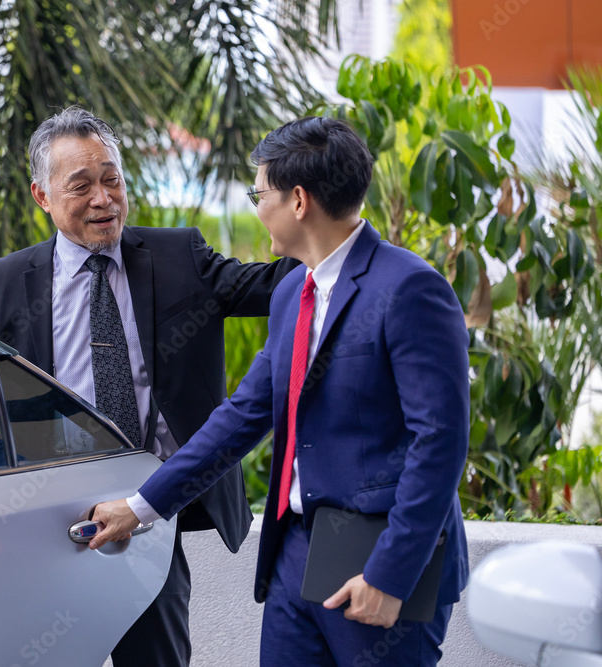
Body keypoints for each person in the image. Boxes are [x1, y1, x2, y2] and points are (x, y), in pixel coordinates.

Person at [90, 117, 471, 666]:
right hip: (295, 554)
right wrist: (141, 507)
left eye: (259, 193)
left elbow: (439, 442)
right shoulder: (293, 289)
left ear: (298, 201)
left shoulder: (410, 288)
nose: (255, 206)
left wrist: (390, 573)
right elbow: (241, 417)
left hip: (378, 558)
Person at [0, 106, 300, 667]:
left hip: (146, 511)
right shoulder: (4, 283)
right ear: (42, 196)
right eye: (81, 185)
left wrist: (328, 225)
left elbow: (273, 285)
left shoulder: (176, 256)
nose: (103, 198)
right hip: (42, 517)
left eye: (111, 179)